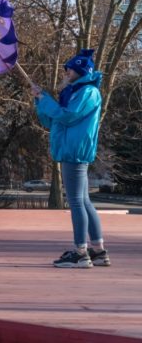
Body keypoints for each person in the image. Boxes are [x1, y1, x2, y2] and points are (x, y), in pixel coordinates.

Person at [32, 49, 109, 268]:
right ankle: (98, 251)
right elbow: (53, 120)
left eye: (69, 68)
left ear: (80, 70)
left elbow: (67, 116)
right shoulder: (75, 91)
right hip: (71, 149)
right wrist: (41, 100)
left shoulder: (86, 92)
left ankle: (80, 252)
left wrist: (45, 100)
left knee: (76, 201)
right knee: (83, 200)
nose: (65, 71)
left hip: (74, 150)